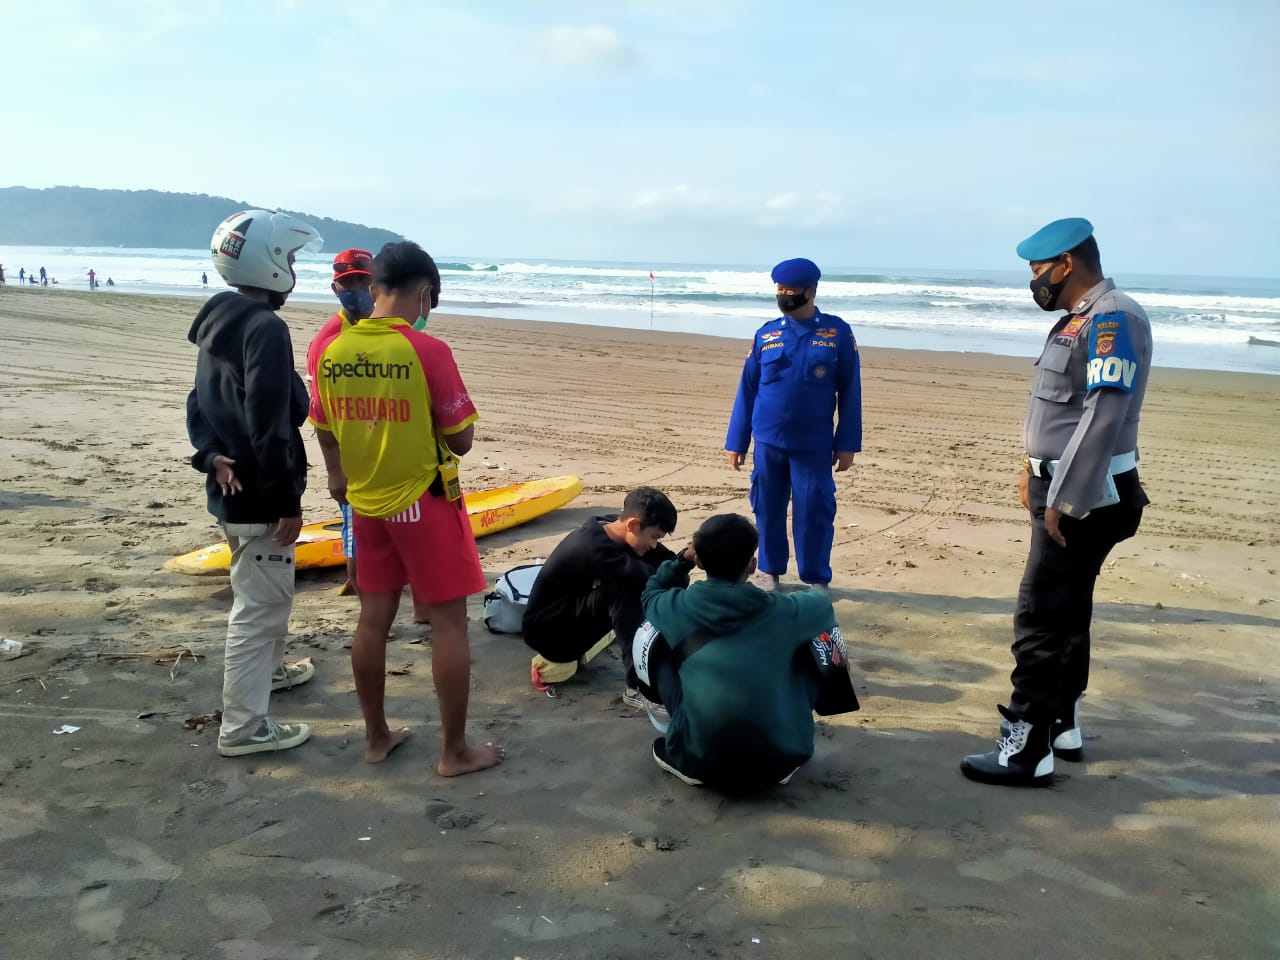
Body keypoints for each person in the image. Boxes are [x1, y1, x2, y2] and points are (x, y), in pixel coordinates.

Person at [961, 218, 1152, 788]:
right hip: (1066, 485)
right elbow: (1057, 412)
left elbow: (1103, 413)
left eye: (1038, 269)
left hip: (1086, 494)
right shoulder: (1079, 319)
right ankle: (1062, 723)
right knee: (1067, 609)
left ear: (1067, 263)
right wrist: (1032, 470)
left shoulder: (1113, 318)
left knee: (1040, 615)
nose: (1034, 280)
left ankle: (1025, 747)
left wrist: (1066, 496)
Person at [311, 240, 502, 777]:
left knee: (373, 620)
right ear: (425, 292)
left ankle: (377, 738)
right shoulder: (427, 350)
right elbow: (460, 439)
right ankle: (454, 752)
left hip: (365, 502)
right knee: (449, 625)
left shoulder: (332, 351)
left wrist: (339, 474)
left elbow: (324, 428)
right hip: (425, 502)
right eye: (430, 301)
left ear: (374, 289)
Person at [186, 209, 323, 757]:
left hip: (231, 484)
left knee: (267, 594)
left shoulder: (219, 319)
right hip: (261, 493)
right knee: (259, 607)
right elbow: (268, 423)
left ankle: (272, 672)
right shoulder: (265, 327)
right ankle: (243, 728)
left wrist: (208, 455)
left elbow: (198, 401)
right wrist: (288, 499)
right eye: (289, 258)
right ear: (269, 263)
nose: (293, 270)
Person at [639, 514, 854, 790]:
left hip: (699, 761)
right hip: (782, 759)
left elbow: (652, 591)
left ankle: (686, 742)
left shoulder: (676, 606)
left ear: (699, 561)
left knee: (654, 639)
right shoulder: (787, 611)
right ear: (752, 565)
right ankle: (788, 726)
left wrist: (683, 560)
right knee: (820, 639)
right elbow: (820, 603)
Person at [725, 258, 862, 591]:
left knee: (815, 509)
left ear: (810, 292)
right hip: (768, 440)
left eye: (791, 290)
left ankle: (815, 577)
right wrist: (737, 441)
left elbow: (850, 389)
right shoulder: (766, 334)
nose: (784, 296)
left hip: (813, 443)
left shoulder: (837, 333)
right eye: (780, 289)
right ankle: (769, 571)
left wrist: (847, 443)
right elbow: (747, 389)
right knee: (767, 507)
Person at [522, 487, 678, 698]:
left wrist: (684, 560)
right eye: (654, 537)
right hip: (549, 636)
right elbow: (647, 577)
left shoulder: (613, 526)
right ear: (633, 525)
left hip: (566, 613)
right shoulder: (592, 548)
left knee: (636, 574)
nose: (654, 544)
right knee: (625, 588)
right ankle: (637, 687)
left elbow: (665, 561)